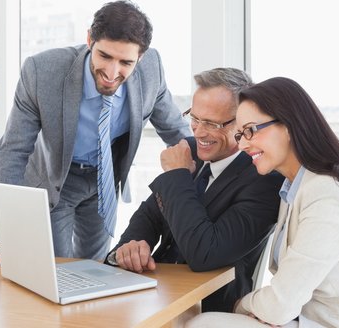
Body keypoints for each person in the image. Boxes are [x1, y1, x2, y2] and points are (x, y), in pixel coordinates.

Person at [0, 0, 191, 268]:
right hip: (57, 180)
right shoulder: (42, 72)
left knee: (95, 270)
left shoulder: (152, 70)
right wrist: (8, 237)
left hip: (105, 180)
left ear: (141, 57)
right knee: (54, 269)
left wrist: (216, 172)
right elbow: (12, 151)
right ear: (90, 39)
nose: (112, 72)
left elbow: (176, 130)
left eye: (125, 62)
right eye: (104, 56)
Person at [186, 77, 339, 327]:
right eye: (240, 134)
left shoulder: (328, 194)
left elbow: (279, 305)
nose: (243, 144)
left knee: (204, 324)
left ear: (289, 126)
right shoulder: (295, 187)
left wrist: (241, 305)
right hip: (306, 320)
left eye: (251, 130)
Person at [105, 68, 284, 312]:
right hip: (155, 290)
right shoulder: (190, 150)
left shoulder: (265, 180)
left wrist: (177, 175)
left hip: (207, 305)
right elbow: (149, 215)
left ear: (243, 123)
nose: (198, 132)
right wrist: (130, 248)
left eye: (212, 123)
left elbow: (205, 254)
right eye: (195, 118)